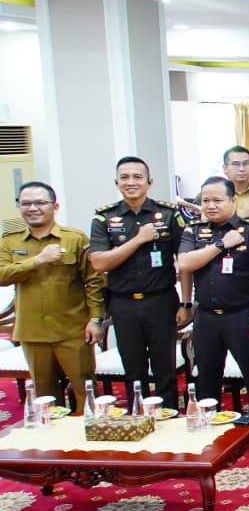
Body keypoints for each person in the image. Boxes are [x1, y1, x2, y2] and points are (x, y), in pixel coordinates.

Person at [89, 157, 193, 407]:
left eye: (137, 177)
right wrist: (137, 239)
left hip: (161, 302)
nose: (131, 182)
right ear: (116, 182)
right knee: (133, 370)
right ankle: (139, 416)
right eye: (124, 177)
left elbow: (185, 262)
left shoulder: (168, 215)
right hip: (123, 305)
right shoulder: (104, 218)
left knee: (165, 369)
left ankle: (168, 416)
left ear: (149, 182)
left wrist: (186, 303)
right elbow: (100, 263)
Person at [0, 181, 105, 412]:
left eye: (40, 202)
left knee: (85, 390)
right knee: (45, 395)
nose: (32, 208)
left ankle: (88, 433)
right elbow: (2, 276)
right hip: (33, 332)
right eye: (26, 203)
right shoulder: (9, 241)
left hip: (73, 329)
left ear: (55, 206)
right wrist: (37, 261)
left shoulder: (74, 238)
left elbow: (94, 281)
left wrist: (95, 319)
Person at [177, 177, 249, 415]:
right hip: (207, 317)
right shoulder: (194, 230)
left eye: (217, 200)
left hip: (242, 315)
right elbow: (185, 263)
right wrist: (220, 244)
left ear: (233, 200)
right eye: (206, 200)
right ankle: (209, 426)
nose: (211, 205)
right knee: (207, 377)